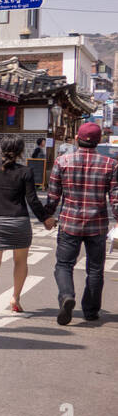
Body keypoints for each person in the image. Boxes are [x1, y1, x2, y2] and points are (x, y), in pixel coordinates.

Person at [46, 121, 118, 325]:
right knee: (95, 268)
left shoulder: (62, 161)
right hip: (97, 224)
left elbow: (53, 195)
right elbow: (116, 198)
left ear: (77, 138)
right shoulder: (110, 164)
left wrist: (47, 216)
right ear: (99, 141)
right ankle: (91, 311)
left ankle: (67, 296)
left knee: (63, 264)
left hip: (70, 222)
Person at [0, 136, 53, 317]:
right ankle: (15, 299)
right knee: (20, 262)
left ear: (1, 149)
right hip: (19, 221)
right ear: (21, 151)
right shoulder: (26, 172)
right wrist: (45, 218)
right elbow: (32, 200)